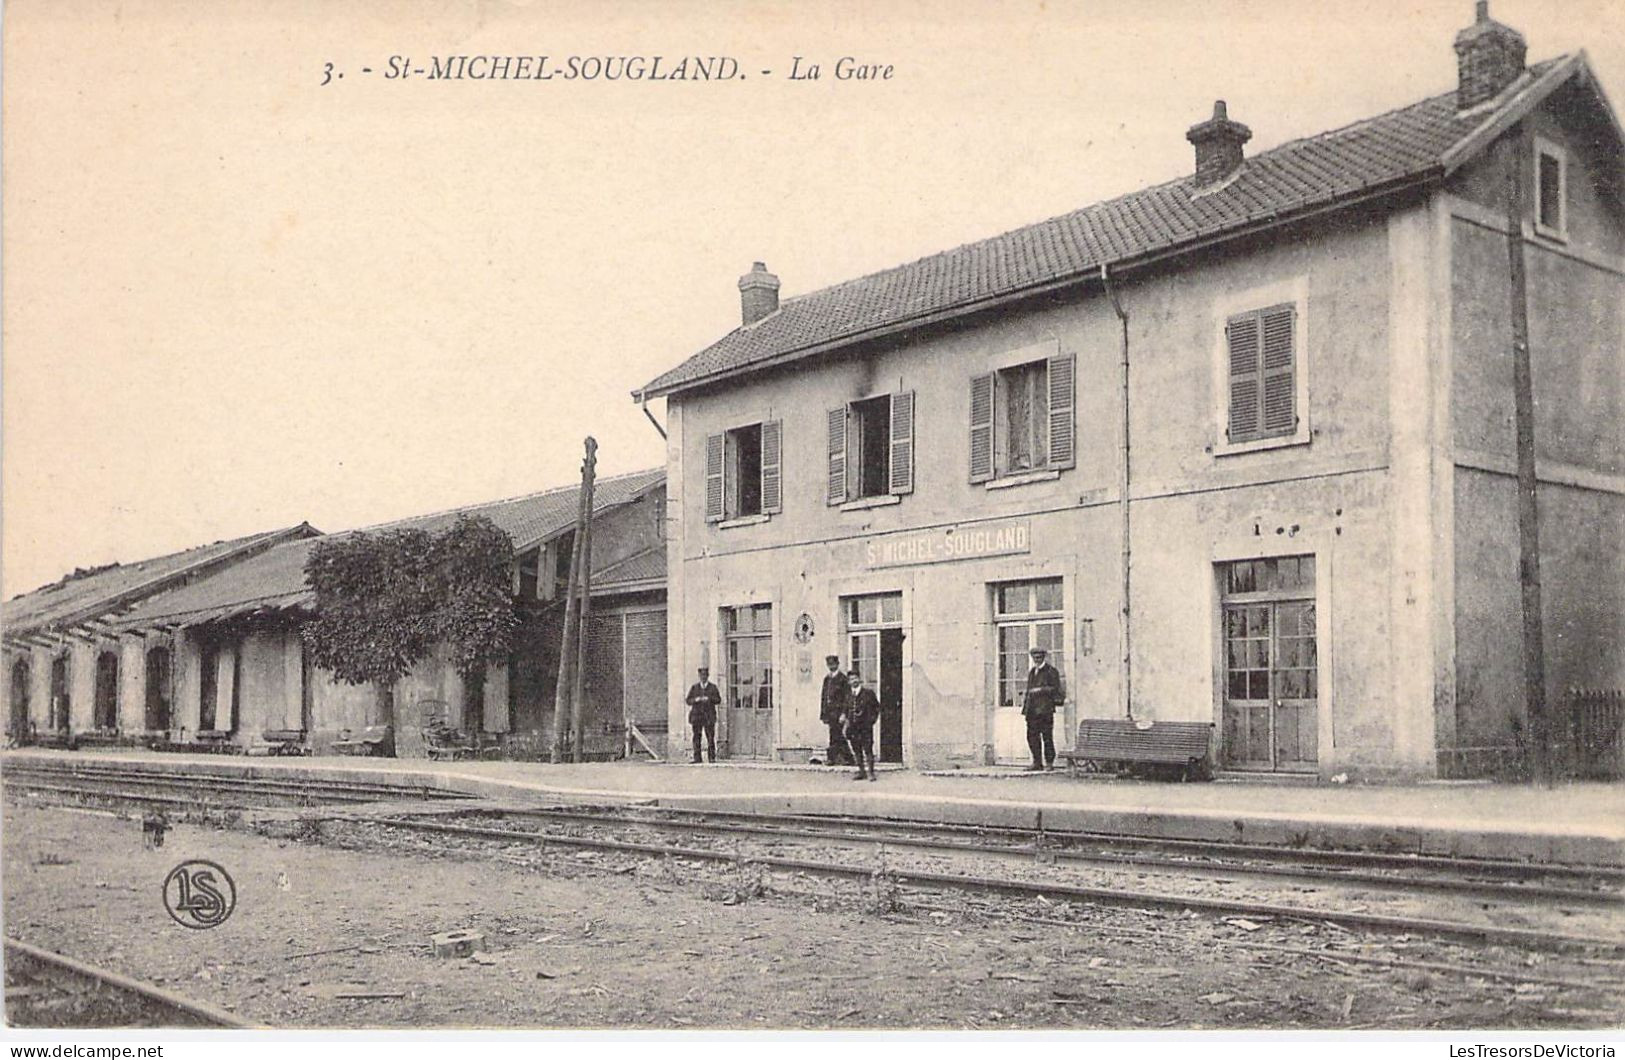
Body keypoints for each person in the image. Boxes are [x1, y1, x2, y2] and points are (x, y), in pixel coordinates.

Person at [1021, 646, 1064, 771]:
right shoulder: (1032, 672)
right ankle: (1037, 762)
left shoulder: (1051, 671)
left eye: (1039, 657)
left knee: (1047, 737)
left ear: (1043, 657)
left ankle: (1049, 762)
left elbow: (1056, 689)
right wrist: (1026, 708)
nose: (1037, 659)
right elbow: (1028, 691)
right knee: (1032, 737)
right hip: (1032, 710)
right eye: (1035, 657)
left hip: (1045, 710)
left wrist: (1041, 690)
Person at [845, 669, 880, 782]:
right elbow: (845, 709)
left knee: (868, 749)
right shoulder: (848, 695)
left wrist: (871, 721)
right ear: (848, 682)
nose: (853, 681)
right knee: (856, 750)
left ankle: (871, 773)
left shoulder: (868, 693)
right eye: (851, 679)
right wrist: (844, 717)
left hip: (865, 727)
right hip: (853, 728)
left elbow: (876, 708)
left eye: (855, 678)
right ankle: (861, 771)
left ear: (859, 679)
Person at [819, 654, 854, 766]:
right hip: (830, 713)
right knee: (834, 735)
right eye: (829, 664)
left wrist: (844, 713)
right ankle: (842, 758)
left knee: (837, 735)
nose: (831, 666)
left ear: (837, 664)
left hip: (838, 713)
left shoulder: (843, 679)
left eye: (833, 664)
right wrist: (823, 714)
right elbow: (824, 697)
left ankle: (840, 758)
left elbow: (847, 698)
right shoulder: (827, 679)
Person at [685, 666, 722, 764]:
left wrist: (709, 699)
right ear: (699, 676)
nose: (703, 677)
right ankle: (697, 758)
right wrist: (696, 700)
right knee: (696, 737)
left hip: (708, 716)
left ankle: (711, 757)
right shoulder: (695, 688)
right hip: (697, 716)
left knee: (710, 737)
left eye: (705, 675)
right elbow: (688, 700)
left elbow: (718, 700)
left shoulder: (713, 687)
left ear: (708, 676)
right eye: (701, 675)